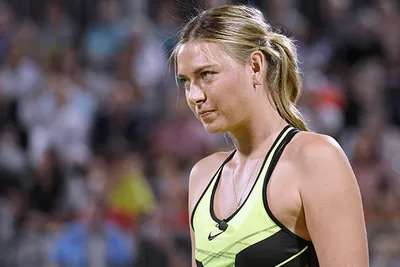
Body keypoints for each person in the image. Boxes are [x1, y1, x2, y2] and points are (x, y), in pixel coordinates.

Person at [171, 4, 369, 267]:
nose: (194, 96)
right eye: (186, 81)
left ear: (255, 66)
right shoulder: (202, 176)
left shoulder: (315, 159)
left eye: (206, 74)